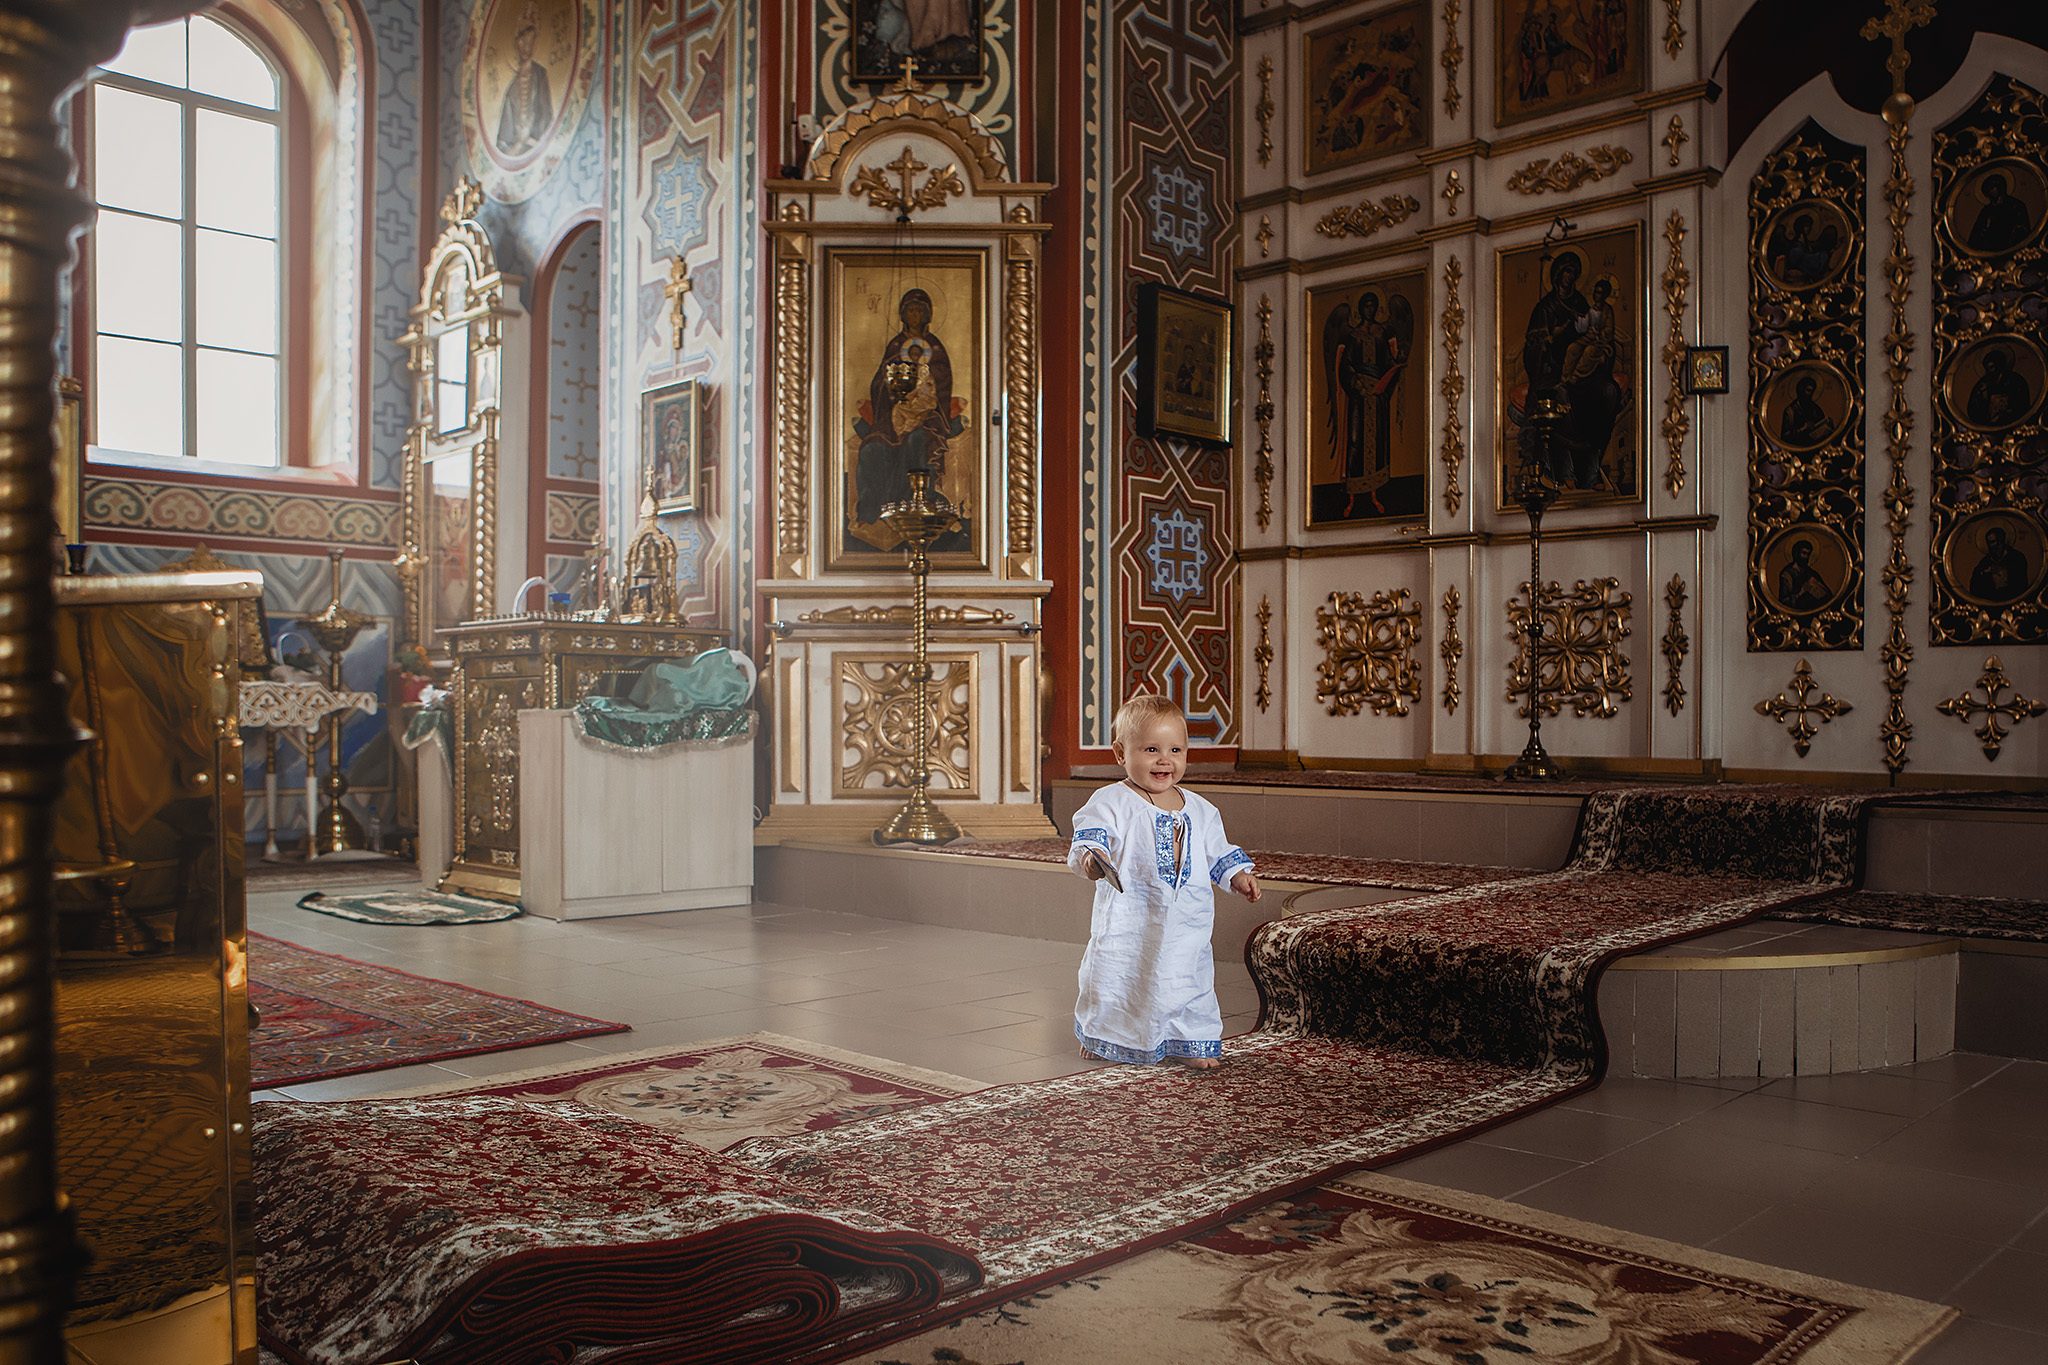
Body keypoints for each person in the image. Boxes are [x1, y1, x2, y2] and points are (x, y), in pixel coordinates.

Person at [1066, 695, 1260, 1071]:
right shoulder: (1112, 801)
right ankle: (1102, 1034)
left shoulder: (1201, 808)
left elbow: (1217, 851)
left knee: (1187, 977)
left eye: (1175, 750)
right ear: (1121, 753)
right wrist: (1092, 859)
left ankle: (1189, 1040)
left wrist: (1237, 875)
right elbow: (1090, 837)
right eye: (1151, 749)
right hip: (1130, 919)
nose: (1164, 760)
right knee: (1118, 976)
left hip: (1187, 920)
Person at [853, 287, 960, 538]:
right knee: (872, 448)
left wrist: (924, 381)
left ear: (927, 314)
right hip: (892, 416)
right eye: (910, 309)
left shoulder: (935, 347)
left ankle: (918, 506)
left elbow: (942, 383)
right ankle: (874, 510)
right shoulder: (895, 346)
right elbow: (878, 383)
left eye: (919, 310)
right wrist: (892, 389)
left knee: (917, 442)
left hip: (927, 416)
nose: (914, 315)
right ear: (902, 314)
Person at [495, 9, 554, 158]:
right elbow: (503, 141)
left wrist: (532, 138)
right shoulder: (512, 90)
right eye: (522, 41)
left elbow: (547, 116)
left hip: (536, 146)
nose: (525, 46)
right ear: (516, 44)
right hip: (518, 150)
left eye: (529, 41)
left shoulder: (540, 75)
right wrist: (518, 143)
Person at [1966, 347, 2033, 429]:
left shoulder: (2016, 380)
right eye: (1987, 369)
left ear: (2000, 365)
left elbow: (2023, 404)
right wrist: (1982, 395)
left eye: (1992, 367)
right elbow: (1973, 411)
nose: (1989, 372)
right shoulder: (1982, 384)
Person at [1967, 173, 2033, 255]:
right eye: (1987, 189)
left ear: (2000, 188)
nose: (1989, 192)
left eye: (1991, 188)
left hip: (2012, 248)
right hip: (1989, 250)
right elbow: (1974, 237)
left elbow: (2023, 229)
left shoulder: (2016, 206)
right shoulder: (1986, 211)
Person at [1969, 526, 2031, 602]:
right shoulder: (1984, 563)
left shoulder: (2017, 558)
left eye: (1997, 541)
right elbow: (1974, 587)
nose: (1995, 546)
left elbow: (2021, 584)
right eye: (1991, 543)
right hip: (1992, 601)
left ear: (2002, 541)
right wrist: (1984, 573)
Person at [1776, 538, 1833, 612]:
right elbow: (1783, 602)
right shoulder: (1787, 574)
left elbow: (1828, 596)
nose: (1806, 557)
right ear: (1796, 553)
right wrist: (1799, 594)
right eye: (1804, 553)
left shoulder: (1811, 573)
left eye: (1808, 554)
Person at [1778, 374, 1833, 447]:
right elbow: (1785, 437)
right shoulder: (1790, 411)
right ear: (1801, 390)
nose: (1810, 394)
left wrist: (1827, 426)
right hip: (1797, 447)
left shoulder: (1815, 409)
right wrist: (1802, 429)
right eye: (1808, 390)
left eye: (1812, 391)